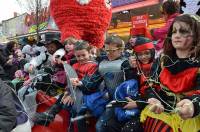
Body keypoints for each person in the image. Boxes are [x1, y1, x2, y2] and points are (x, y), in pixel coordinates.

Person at [141, 14, 200, 132]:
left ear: (196, 36)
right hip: (159, 114)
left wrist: (192, 104)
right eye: (174, 31)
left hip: (189, 120)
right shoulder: (162, 59)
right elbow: (150, 85)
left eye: (183, 31)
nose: (177, 35)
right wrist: (153, 99)